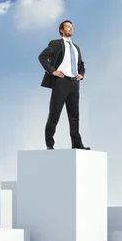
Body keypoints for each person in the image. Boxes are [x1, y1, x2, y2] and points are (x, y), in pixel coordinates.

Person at [38, 20, 90, 150]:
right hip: (61, 82)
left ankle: (77, 143)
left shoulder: (76, 47)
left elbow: (81, 65)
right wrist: (52, 71)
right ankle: (50, 144)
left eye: (72, 27)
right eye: (68, 27)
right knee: (54, 114)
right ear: (62, 30)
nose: (71, 29)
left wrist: (81, 74)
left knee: (74, 116)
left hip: (74, 84)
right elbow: (42, 57)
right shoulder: (55, 44)